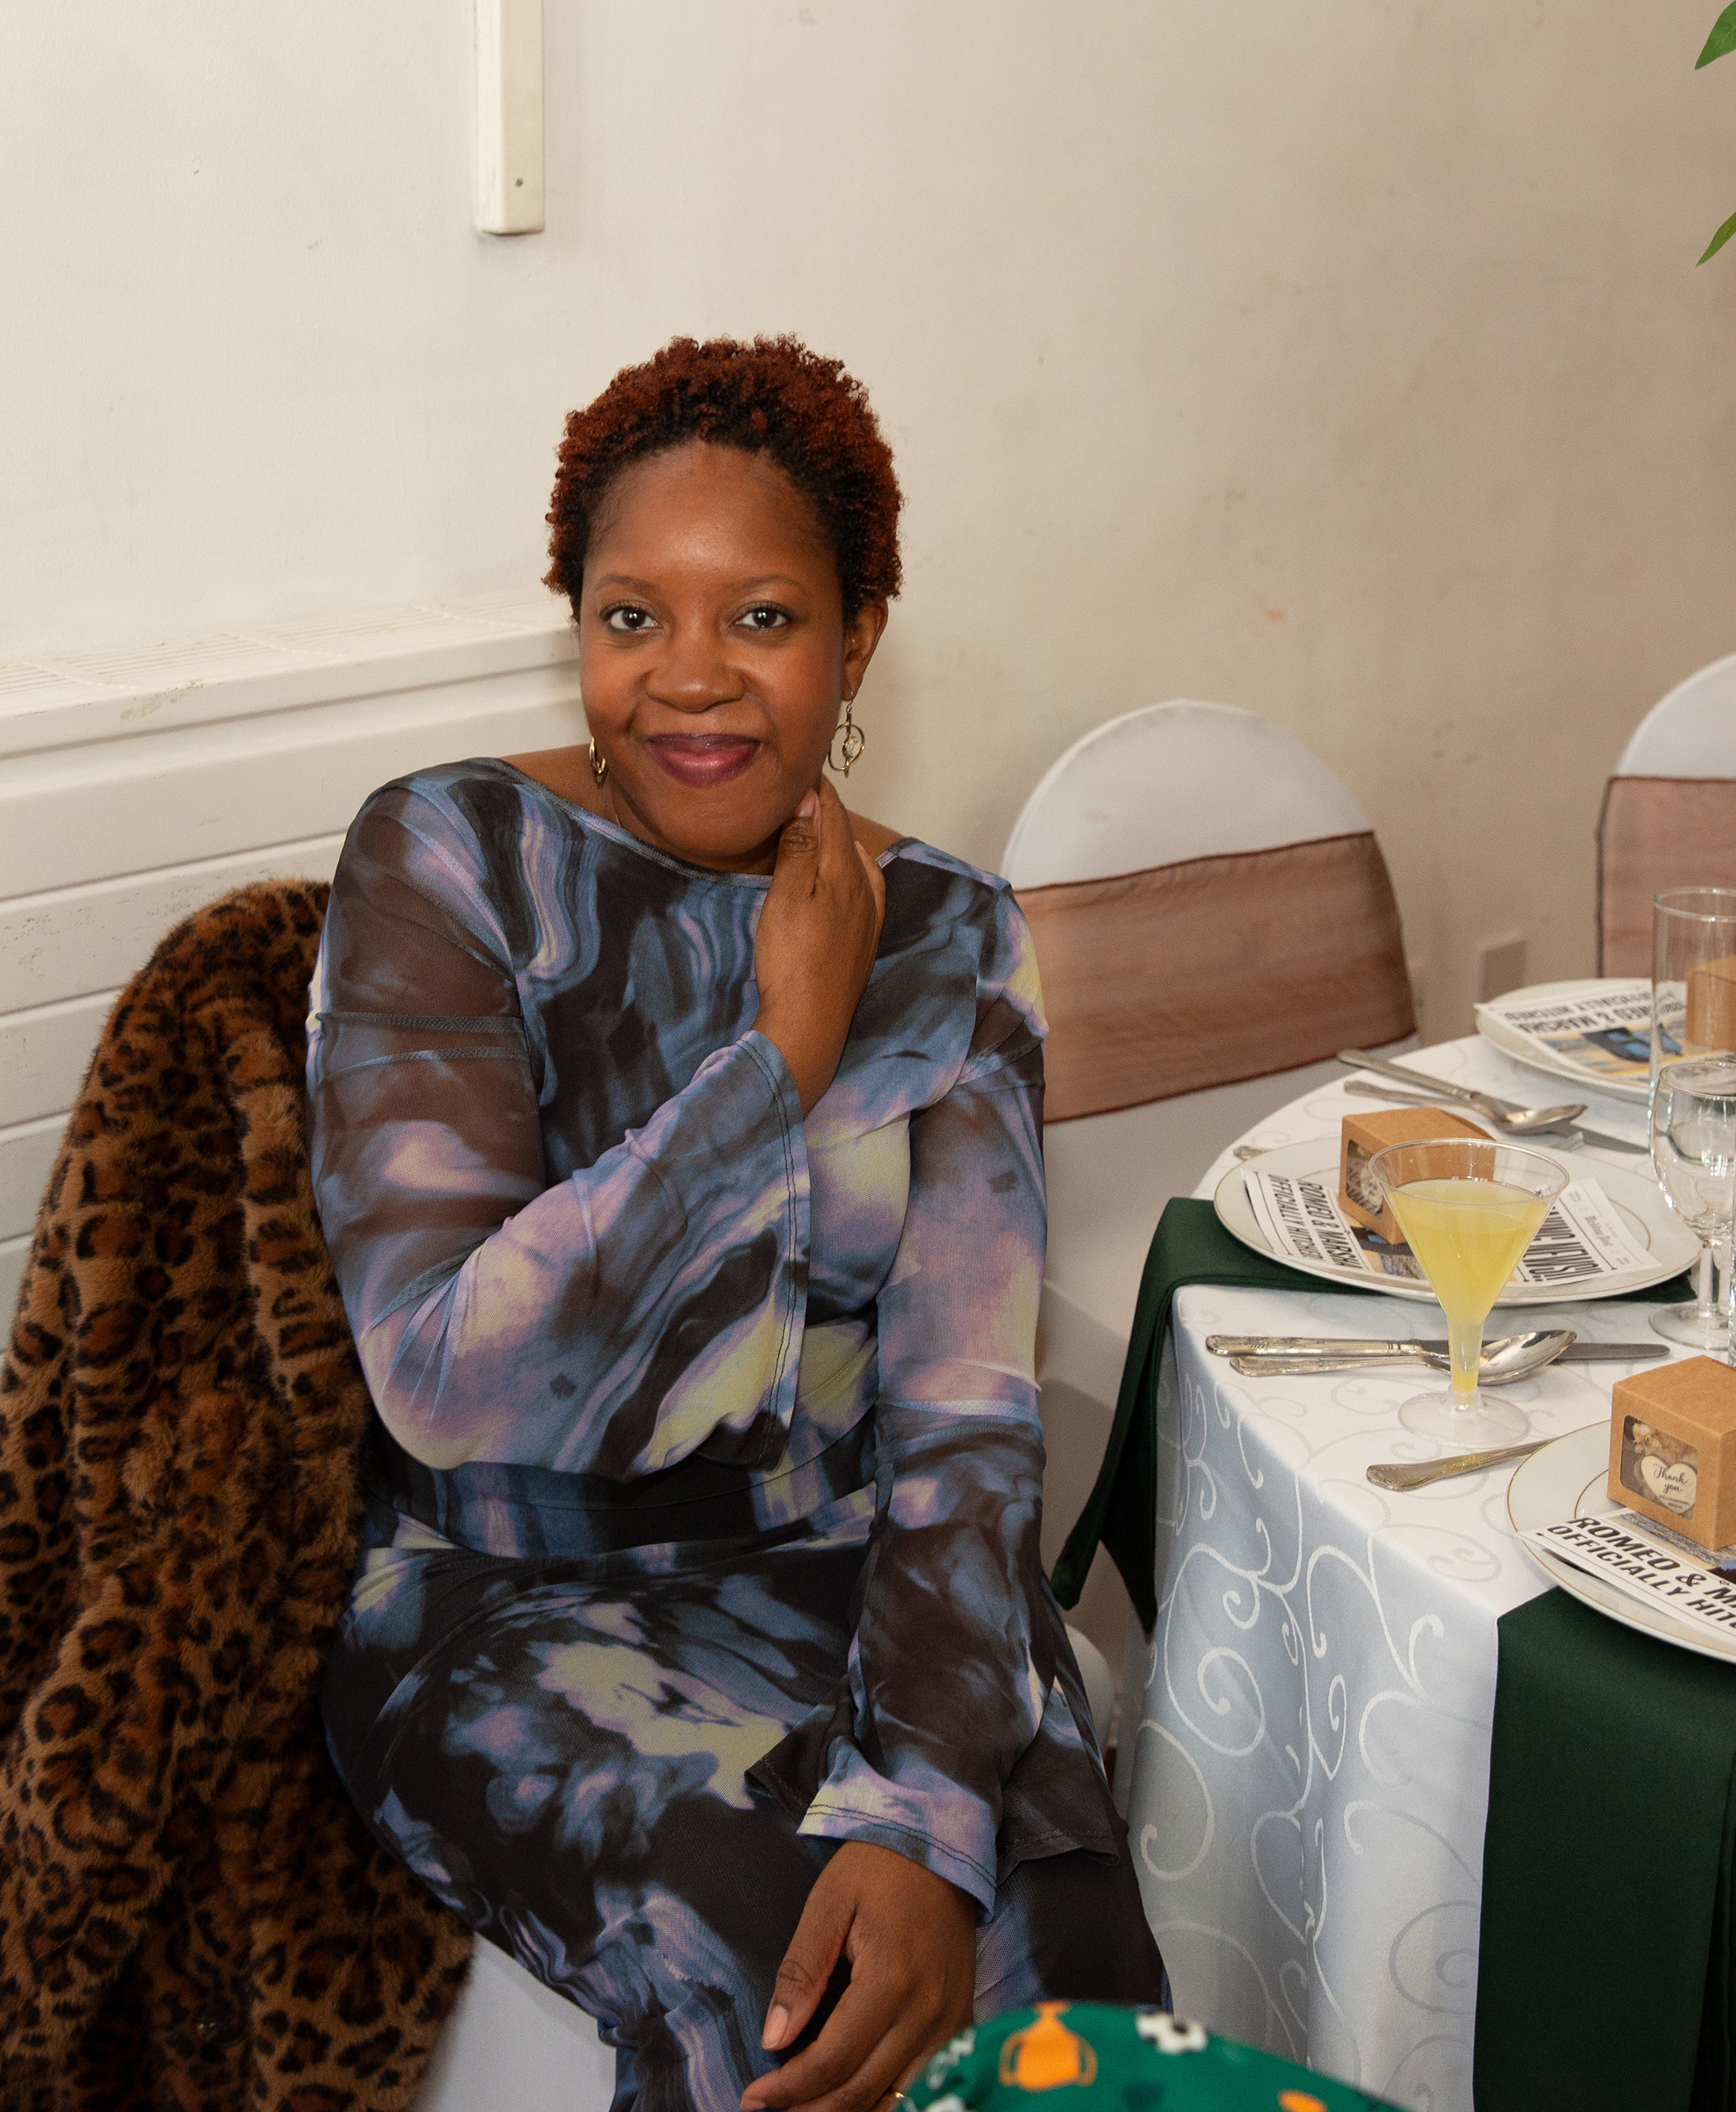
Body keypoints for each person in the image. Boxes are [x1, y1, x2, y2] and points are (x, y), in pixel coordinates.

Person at [309, 336, 1162, 2112]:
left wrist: (924, 1812)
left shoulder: (957, 932)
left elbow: (963, 1414)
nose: (689, 679)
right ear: (579, 627)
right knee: (784, 1992)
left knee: (1072, 1973)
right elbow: (447, 1380)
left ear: (858, 640)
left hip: (856, 1572)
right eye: (633, 617)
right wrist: (780, 1056)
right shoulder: (451, 861)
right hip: (509, 1596)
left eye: (761, 617)